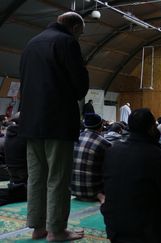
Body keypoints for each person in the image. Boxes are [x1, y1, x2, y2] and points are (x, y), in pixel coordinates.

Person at [19, 11, 89, 241]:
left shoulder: (31, 43)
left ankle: (38, 227)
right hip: (57, 121)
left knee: (37, 176)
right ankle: (56, 230)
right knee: (57, 177)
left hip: (30, 121)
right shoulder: (67, 41)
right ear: (76, 28)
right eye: (81, 33)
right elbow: (80, 84)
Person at [101, 108, 161, 242]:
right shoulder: (158, 156)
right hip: (145, 230)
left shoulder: (112, 151)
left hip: (113, 227)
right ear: (151, 128)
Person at [71, 113, 111, 203]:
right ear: (101, 126)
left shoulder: (75, 138)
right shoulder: (105, 143)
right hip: (93, 191)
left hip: (73, 189)